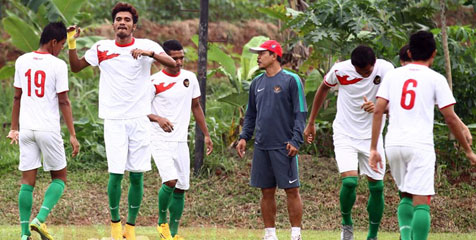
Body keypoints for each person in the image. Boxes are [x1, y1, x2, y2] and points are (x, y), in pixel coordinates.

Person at [66, 2, 176, 240]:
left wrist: (150, 54)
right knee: (115, 174)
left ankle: (131, 228)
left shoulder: (147, 46)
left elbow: (173, 63)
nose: (122, 23)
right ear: (113, 24)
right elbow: (75, 68)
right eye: (118, 19)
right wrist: (72, 42)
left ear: (134, 25)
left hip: (139, 120)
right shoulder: (101, 47)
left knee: (137, 176)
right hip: (114, 120)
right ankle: (115, 227)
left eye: (127, 19)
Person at [369, 30, 476, 240]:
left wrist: (374, 148)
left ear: (409, 52)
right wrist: (468, 151)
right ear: (434, 54)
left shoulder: (393, 75)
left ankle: (406, 237)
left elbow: (378, 110)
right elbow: (450, 118)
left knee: (405, 195)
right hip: (420, 146)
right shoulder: (435, 79)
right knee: (421, 201)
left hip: (394, 145)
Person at [304, 45, 394, 240]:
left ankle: (372, 235)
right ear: (353, 66)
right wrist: (311, 122)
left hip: (373, 136)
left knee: (377, 187)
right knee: (350, 181)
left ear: (374, 63)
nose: (364, 75)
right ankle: (347, 225)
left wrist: (380, 108)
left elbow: (396, 101)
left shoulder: (386, 70)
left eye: (368, 72)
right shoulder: (340, 70)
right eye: (360, 72)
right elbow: (323, 89)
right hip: (345, 132)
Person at [7, 21, 80, 240]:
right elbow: (64, 101)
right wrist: (73, 134)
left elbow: (17, 97)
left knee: (27, 182)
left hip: (26, 130)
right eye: (61, 46)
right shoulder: (57, 65)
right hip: (48, 129)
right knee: (60, 177)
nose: (61, 51)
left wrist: (13, 128)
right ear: (53, 42)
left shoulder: (22, 60)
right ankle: (39, 220)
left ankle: (23, 235)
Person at [236, 40, 307, 240]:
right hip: (261, 146)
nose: (258, 57)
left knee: (291, 190)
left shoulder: (292, 80)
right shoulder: (256, 83)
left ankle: (295, 234)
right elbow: (251, 114)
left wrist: (296, 140)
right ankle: (270, 235)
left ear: (274, 55)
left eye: (262, 53)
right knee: (266, 191)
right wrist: (244, 137)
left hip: (284, 146)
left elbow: (300, 113)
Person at [148, 40, 213, 240]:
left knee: (181, 187)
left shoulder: (190, 79)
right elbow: (140, 110)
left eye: (181, 57)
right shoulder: (153, 82)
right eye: (174, 58)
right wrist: (158, 119)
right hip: (158, 139)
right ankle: (161, 222)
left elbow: (196, 107)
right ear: (164, 58)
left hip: (180, 141)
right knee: (170, 180)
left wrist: (207, 134)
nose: (179, 62)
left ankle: (173, 234)